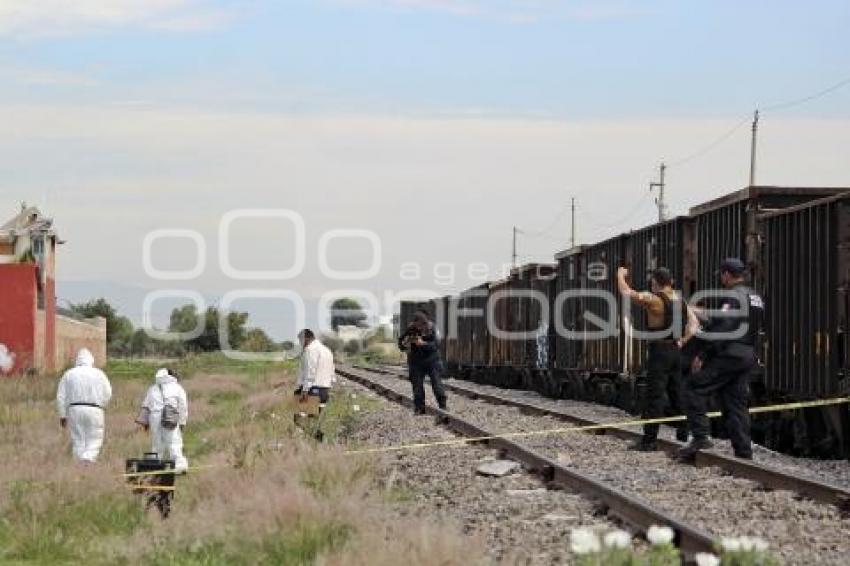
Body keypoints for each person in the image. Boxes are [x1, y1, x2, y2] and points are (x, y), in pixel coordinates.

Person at [677, 258, 764, 462]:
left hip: (729, 354)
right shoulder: (755, 296)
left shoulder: (732, 297)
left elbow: (724, 328)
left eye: (722, 275)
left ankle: (700, 437)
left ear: (726, 274)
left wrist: (703, 354)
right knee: (735, 404)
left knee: (692, 387)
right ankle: (743, 454)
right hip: (747, 354)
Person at [618, 267, 696, 450]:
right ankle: (684, 433)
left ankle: (649, 441)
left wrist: (620, 275)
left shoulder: (654, 299)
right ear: (671, 282)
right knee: (676, 393)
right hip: (676, 352)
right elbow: (694, 324)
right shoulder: (681, 300)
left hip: (659, 352)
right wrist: (682, 341)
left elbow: (626, 292)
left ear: (655, 282)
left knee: (655, 395)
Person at [56, 348, 112, 463]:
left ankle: (79, 465)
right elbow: (108, 393)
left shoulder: (69, 374)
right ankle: (87, 460)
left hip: (74, 409)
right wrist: (101, 405)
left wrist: (62, 415)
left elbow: (61, 396)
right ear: (91, 360)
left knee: (78, 439)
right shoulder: (99, 374)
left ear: (77, 360)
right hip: (95, 409)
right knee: (94, 439)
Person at [398, 309, 447, 414]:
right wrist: (405, 345)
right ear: (414, 323)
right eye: (417, 326)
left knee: (437, 383)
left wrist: (423, 344)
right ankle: (419, 408)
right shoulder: (410, 329)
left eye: (421, 326)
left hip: (432, 360)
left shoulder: (433, 328)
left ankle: (443, 406)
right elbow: (401, 343)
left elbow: (437, 345)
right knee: (417, 385)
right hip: (415, 361)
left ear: (425, 323)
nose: (419, 329)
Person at [140, 368, 189, 471]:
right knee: (174, 442)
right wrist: (182, 422)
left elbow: (145, 406)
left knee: (157, 444)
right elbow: (183, 407)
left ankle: (154, 467)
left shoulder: (153, 388)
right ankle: (179, 467)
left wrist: (145, 424)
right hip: (170, 416)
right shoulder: (177, 388)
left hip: (154, 418)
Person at [295, 329, 336, 407]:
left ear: (306, 339)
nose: (300, 344)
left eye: (300, 340)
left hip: (313, 389)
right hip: (325, 390)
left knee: (302, 416)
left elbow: (310, 371)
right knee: (317, 416)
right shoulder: (327, 350)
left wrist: (305, 390)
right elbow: (332, 371)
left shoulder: (310, 350)